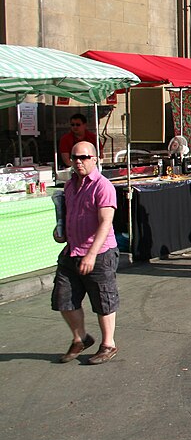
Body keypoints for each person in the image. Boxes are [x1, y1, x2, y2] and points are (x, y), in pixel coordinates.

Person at [52, 141, 120, 365]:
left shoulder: (103, 186)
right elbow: (69, 214)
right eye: (74, 157)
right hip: (72, 250)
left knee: (103, 300)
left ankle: (108, 344)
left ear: (95, 159)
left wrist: (91, 254)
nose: (78, 162)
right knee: (63, 298)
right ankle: (80, 337)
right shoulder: (70, 185)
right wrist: (61, 232)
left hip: (99, 252)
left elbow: (105, 222)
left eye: (84, 157)